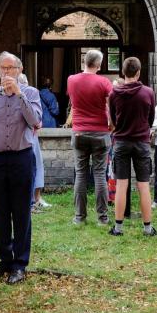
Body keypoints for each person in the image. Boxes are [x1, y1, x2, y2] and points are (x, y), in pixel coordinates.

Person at [0, 52, 41, 284]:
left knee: (21, 211)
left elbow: (35, 121)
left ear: (20, 69)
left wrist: (18, 94)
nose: (6, 72)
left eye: (11, 68)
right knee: (1, 212)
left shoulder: (31, 93)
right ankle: (4, 260)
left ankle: (20, 263)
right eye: (2, 68)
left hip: (21, 158)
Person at [108, 57, 157, 237]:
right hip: (142, 142)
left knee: (122, 185)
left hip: (121, 142)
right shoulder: (148, 92)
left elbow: (113, 119)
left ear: (123, 72)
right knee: (143, 185)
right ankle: (147, 228)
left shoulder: (114, 94)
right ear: (138, 72)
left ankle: (118, 228)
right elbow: (151, 118)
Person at [66, 50, 113, 226]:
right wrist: (112, 125)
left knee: (81, 174)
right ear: (99, 65)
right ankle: (102, 218)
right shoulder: (104, 82)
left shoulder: (72, 80)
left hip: (79, 132)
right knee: (100, 175)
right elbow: (112, 106)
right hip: (100, 132)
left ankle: (79, 217)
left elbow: (73, 101)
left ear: (84, 62)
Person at [21, 74, 50, 213]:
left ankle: (35, 200)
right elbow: (35, 120)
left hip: (30, 136)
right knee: (35, 166)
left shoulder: (33, 94)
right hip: (28, 138)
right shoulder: (30, 93)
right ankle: (34, 200)